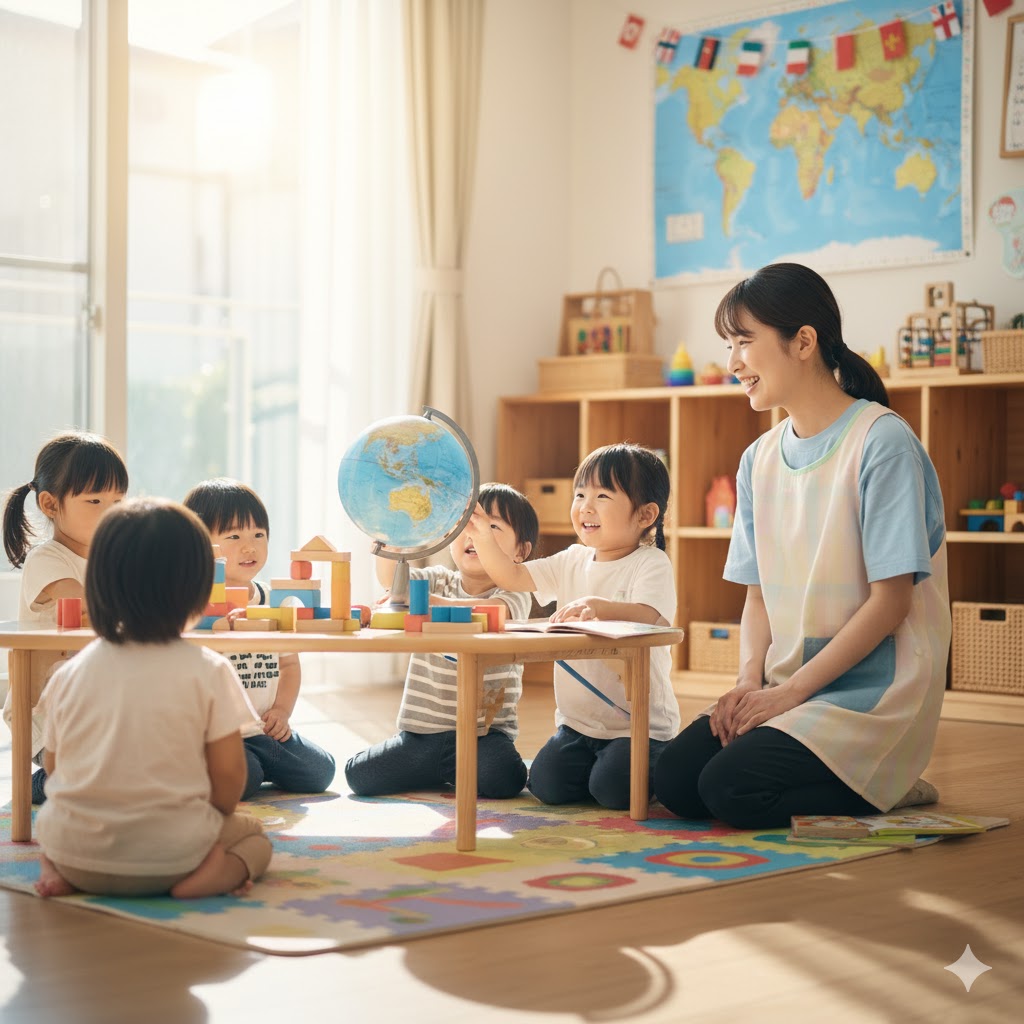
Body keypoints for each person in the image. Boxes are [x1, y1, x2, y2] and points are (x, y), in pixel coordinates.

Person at [654, 262, 950, 829]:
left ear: (804, 342)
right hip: (786, 686)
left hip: (871, 695)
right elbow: (757, 595)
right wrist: (748, 684)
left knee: (729, 789)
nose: (733, 362)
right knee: (676, 780)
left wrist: (788, 695)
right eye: (728, 345)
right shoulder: (758, 459)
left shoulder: (881, 442)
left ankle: (888, 784)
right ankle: (856, 777)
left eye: (744, 342)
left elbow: (891, 603)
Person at [34, 498, 272, 899]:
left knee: (55, 824)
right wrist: (208, 821)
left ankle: (57, 870)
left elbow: (55, 768)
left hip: (77, 854)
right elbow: (230, 776)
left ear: (99, 587)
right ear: (199, 590)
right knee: (255, 839)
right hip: (172, 858)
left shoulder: (67, 674)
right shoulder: (209, 669)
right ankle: (208, 878)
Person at [464, 446, 679, 810]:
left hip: (639, 728)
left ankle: (653, 762)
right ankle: (598, 768)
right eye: (580, 495)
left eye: (602, 496)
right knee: (546, 786)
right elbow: (512, 576)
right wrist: (484, 535)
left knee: (613, 790)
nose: (585, 507)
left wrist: (601, 607)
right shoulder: (572, 559)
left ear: (646, 514)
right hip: (577, 726)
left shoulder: (651, 563)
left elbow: (648, 616)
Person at [345, 483, 538, 799]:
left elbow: (493, 612)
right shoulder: (437, 579)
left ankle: (455, 770)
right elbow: (393, 582)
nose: (473, 535)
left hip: (484, 737)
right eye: (465, 526)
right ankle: (444, 771)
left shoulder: (515, 593)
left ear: (521, 552)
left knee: (502, 779)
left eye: (491, 527)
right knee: (360, 776)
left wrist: (426, 602)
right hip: (422, 735)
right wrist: (392, 541)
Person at [183, 478, 337, 800]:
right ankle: (212, 766)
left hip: (262, 731)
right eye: (234, 536)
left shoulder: (272, 599)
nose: (249, 547)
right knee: (246, 777)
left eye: (258, 535)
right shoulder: (192, 605)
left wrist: (281, 711)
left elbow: (290, 665)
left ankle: (254, 764)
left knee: (320, 771)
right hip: (216, 735)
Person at [2, 431, 129, 804]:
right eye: (94, 500)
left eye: (118, 501)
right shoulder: (48, 558)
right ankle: (41, 784)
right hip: (47, 711)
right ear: (50, 504)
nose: (110, 511)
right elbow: (84, 603)